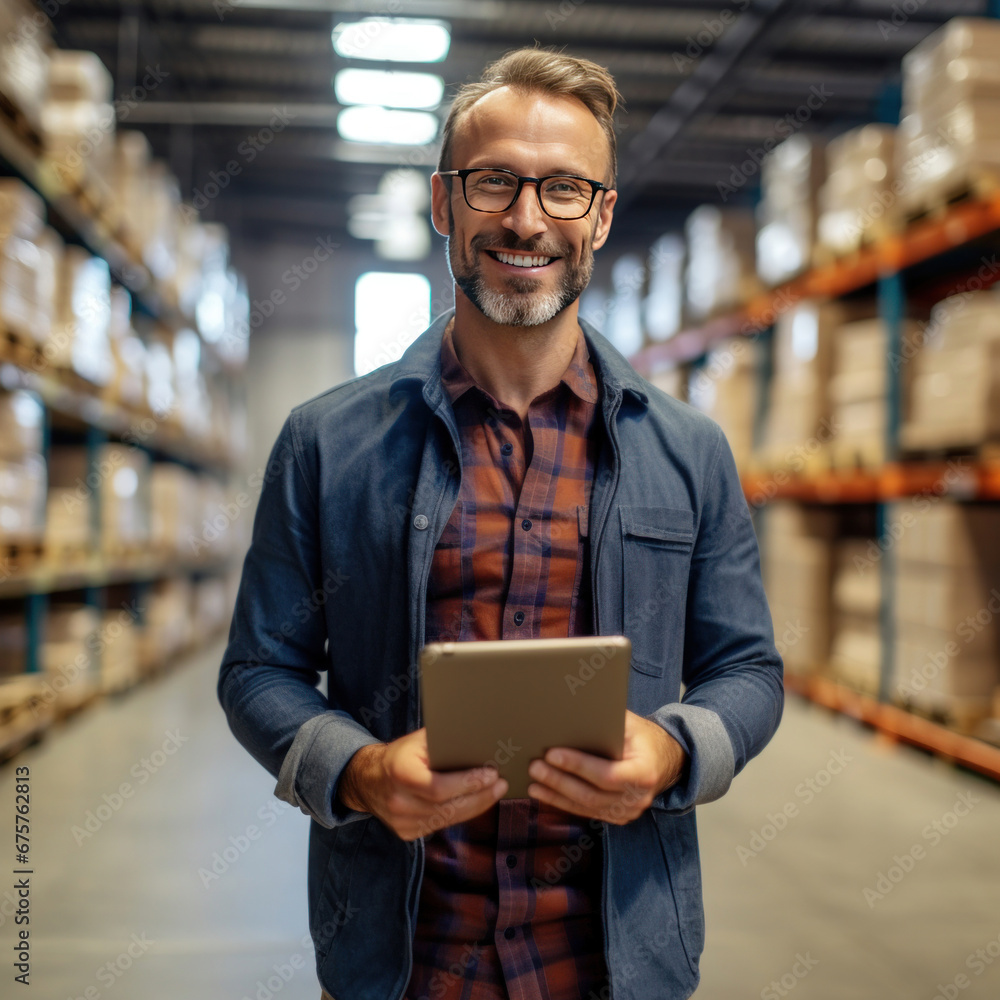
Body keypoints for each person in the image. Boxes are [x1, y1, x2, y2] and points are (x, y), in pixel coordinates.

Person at [218, 47, 783, 1000]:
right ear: (444, 203)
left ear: (600, 216)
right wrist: (358, 773)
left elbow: (749, 670)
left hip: (615, 960)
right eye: (494, 184)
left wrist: (676, 750)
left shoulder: (688, 453)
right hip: (401, 963)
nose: (526, 219)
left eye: (564, 189)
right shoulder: (326, 443)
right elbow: (258, 671)